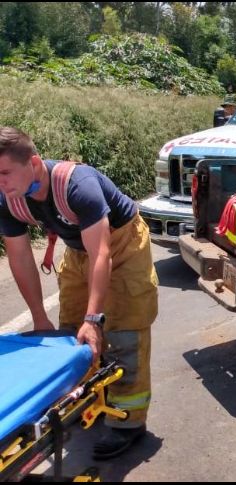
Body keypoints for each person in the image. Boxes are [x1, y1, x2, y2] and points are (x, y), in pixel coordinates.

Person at [0, 127, 158, 460]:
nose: (0, 182)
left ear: (34, 162)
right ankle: (90, 400)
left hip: (122, 242)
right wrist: (39, 317)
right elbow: (20, 258)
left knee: (124, 329)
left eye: (4, 172)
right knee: (70, 331)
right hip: (77, 248)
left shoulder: (78, 186)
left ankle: (128, 421)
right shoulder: (7, 200)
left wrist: (95, 317)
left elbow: (103, 253)